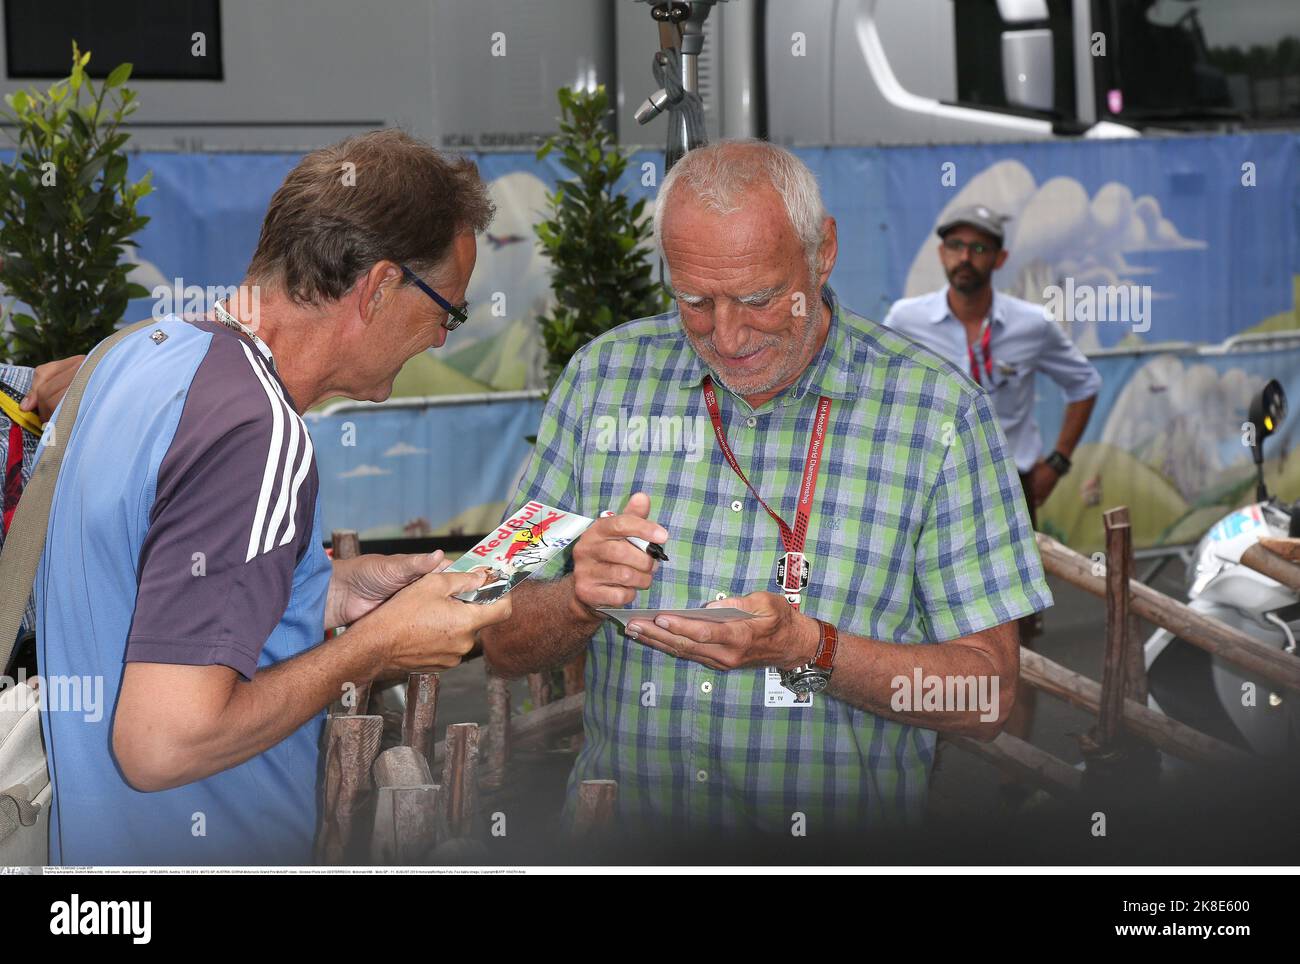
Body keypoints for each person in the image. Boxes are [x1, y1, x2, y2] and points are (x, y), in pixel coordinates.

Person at [481, 140, 1053, 839]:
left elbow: (985, 694)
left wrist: (811, 649)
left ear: (825, 252)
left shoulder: (939, 415)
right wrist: (576, 598)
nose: (726, 335)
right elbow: (496, 636)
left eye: (757, 299)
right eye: (693, 301)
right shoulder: (603, 378)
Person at [33, 129, 512, 865]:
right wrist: (374, 644)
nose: (443, 340)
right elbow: (161, 745)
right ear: (381, 287)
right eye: (448, 309)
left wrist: (317, 588)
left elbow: (147, 584)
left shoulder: (127, 360)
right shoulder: (258, 433)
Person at [882, 204, 1100, 758]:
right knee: (915, 628)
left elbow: (1084, 383)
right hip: (927, 488)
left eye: (979, 248)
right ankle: (924, 770)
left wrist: (1058, 462)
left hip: (1010, 492)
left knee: (1012, 640)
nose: (965, 258)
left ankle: (1015, 785)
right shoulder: (908, 319)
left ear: (999, 258)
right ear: (941, 255)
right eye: (955, 246)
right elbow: (879, 385)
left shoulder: (1030, 324)